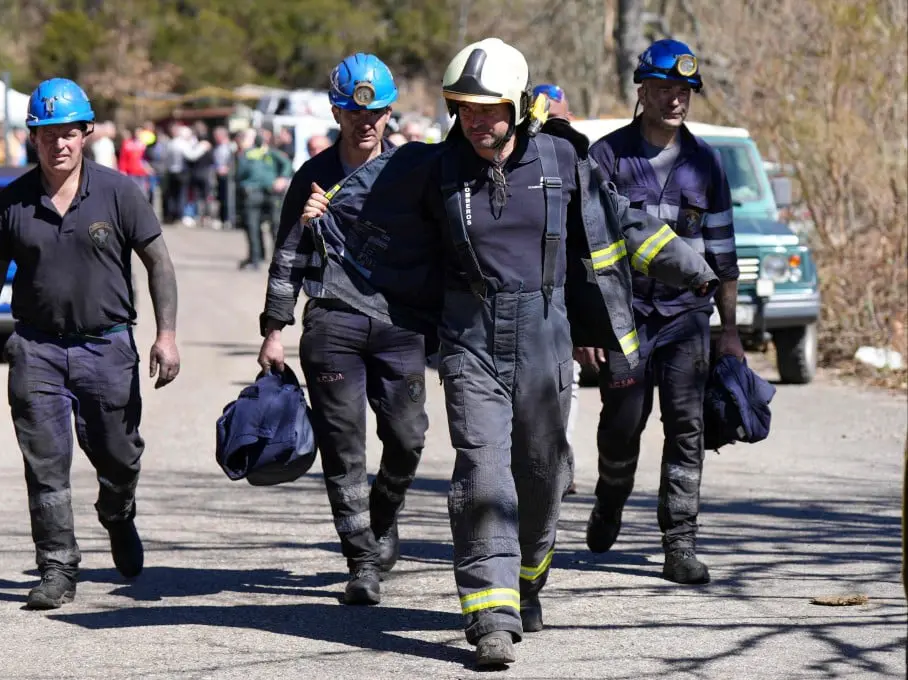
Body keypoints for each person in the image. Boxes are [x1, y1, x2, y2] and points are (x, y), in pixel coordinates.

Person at [299, 37, 717, 667]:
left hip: (546, 336)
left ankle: (527, 580)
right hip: (470, 339)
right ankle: (491, 614)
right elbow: (362, 208)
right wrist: (321, 219)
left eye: (491, 109)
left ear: (519, 108)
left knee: (543, 477)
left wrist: (692, 268)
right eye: (465, 109)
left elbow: (622, 219)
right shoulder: (432, 168)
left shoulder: (560, 158)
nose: (478, 122)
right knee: (483, 472)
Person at [0, 78, 181, 610]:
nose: (59, 144)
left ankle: (118, 512)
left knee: (119, 456)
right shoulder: (12, 201)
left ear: (85, 135)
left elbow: (159, 264)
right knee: (45, 464)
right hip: (35, 350)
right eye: (47, 134)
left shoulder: (119, 192)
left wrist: (166, 335)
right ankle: (57, 568)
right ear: (32, 139)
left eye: (69, 133)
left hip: (107, 348)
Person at [258, 52, 428, 606]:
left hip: (400, 322)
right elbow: (285, 257)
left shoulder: (408, 171)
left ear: (389, 112)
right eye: (354, 111)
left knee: (407, 438)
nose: (366, 121)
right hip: (332, 321)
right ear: (336, 111)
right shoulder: (312, 177)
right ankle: (361, 560)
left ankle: (381, 517)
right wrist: (274, 328)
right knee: (343, 445)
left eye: (377, 111)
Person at [579, 39, 742, 586]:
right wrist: (587, 329)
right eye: (665, 89)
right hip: (624, 318)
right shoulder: (605, 157)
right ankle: (610, 498)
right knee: (622, 425)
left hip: (686, 319)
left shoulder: (706, 164)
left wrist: (731, 332)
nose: (675, 100)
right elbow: (585, 249)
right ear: (642, 90)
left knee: (687, 429)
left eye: (684, 91)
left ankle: (680, 542)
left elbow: (722, 253)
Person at [532, 82, 580, 497]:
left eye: (559, 120)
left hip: (566, 307)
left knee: (566, 389)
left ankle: (560, 464)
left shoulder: (578, 157)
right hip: (527, 307)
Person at [236, 127, 293, 269]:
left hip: (257, 194)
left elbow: (239, 174)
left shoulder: (247, 154)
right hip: (268, 193)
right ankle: (277, 260)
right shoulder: (268, 152)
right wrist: (282, 177)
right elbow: (287, 164)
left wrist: (282, 178)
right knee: (272, 226)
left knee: (255, 226)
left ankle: (257, 259)